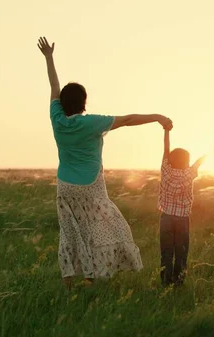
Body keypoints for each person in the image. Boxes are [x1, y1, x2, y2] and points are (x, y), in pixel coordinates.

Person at [37, 37, 174, 287]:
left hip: (64, 186)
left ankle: (72, 284)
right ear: (84, 102)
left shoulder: (57, 119)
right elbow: (128, 119)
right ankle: (94, 277)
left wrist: (49, 58)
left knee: (69, 235)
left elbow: (53, 88)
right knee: (107, 227)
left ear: (63, 104)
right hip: (91, 186)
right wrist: (157, 117)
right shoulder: (91, 122)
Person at [158, 127, 214, 287]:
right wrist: (213, 151)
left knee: (166, 253)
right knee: (181, 252)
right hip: (182, 219)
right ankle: (179, 282)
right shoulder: (190, 173)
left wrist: (167, 131)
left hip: (166, 218)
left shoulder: (166, 170)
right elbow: (200, 161)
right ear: (186, 161)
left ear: (170, 159)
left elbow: (165, 147)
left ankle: (165, 283)